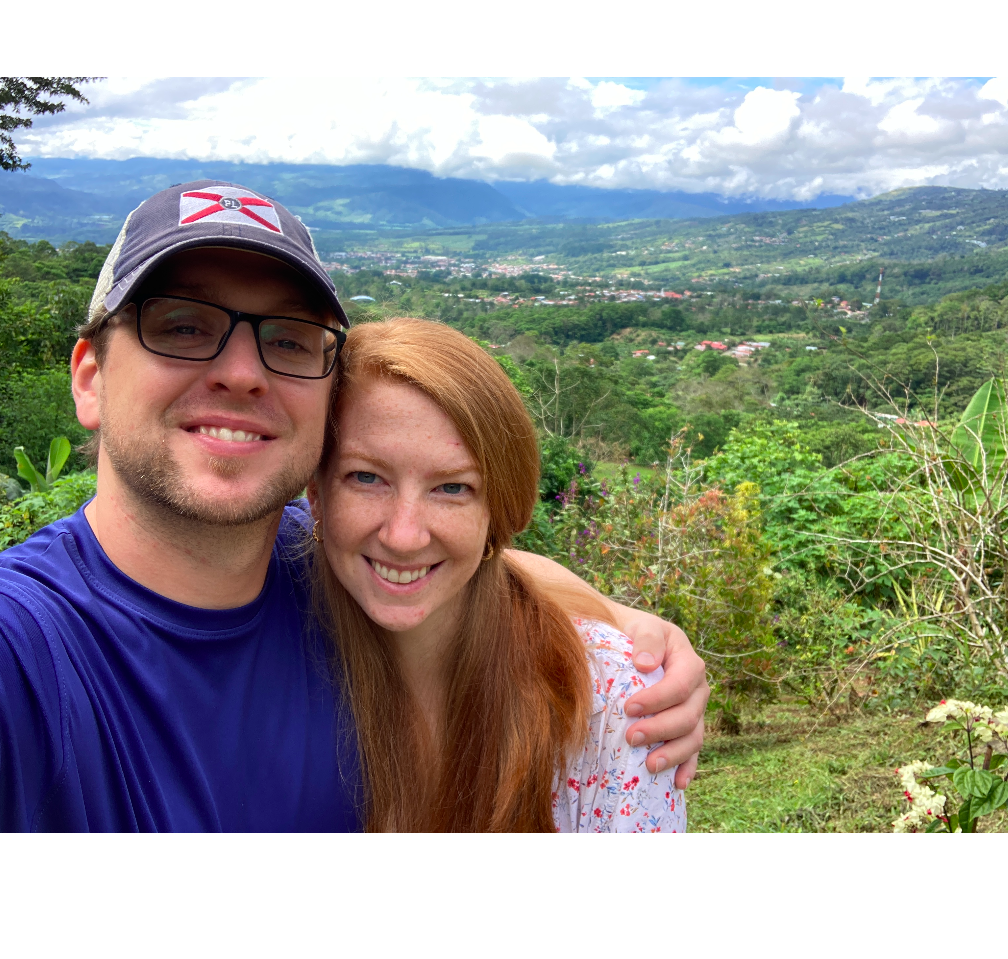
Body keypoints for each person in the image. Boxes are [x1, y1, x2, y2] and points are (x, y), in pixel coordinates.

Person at [0, 180, 707, 832]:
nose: (243, 373)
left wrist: (623, 635)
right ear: (90, 379)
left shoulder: (327, 570)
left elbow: (451, 555)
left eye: (286, 340)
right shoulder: (30, 652)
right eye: (181, 325)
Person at [309, 318, 686, 832]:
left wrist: (621, 628)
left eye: (453, 488)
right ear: (316, 490)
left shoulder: (610, 708)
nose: (403, 535)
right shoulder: (272, 642)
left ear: (498, 511)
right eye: (366, 477)